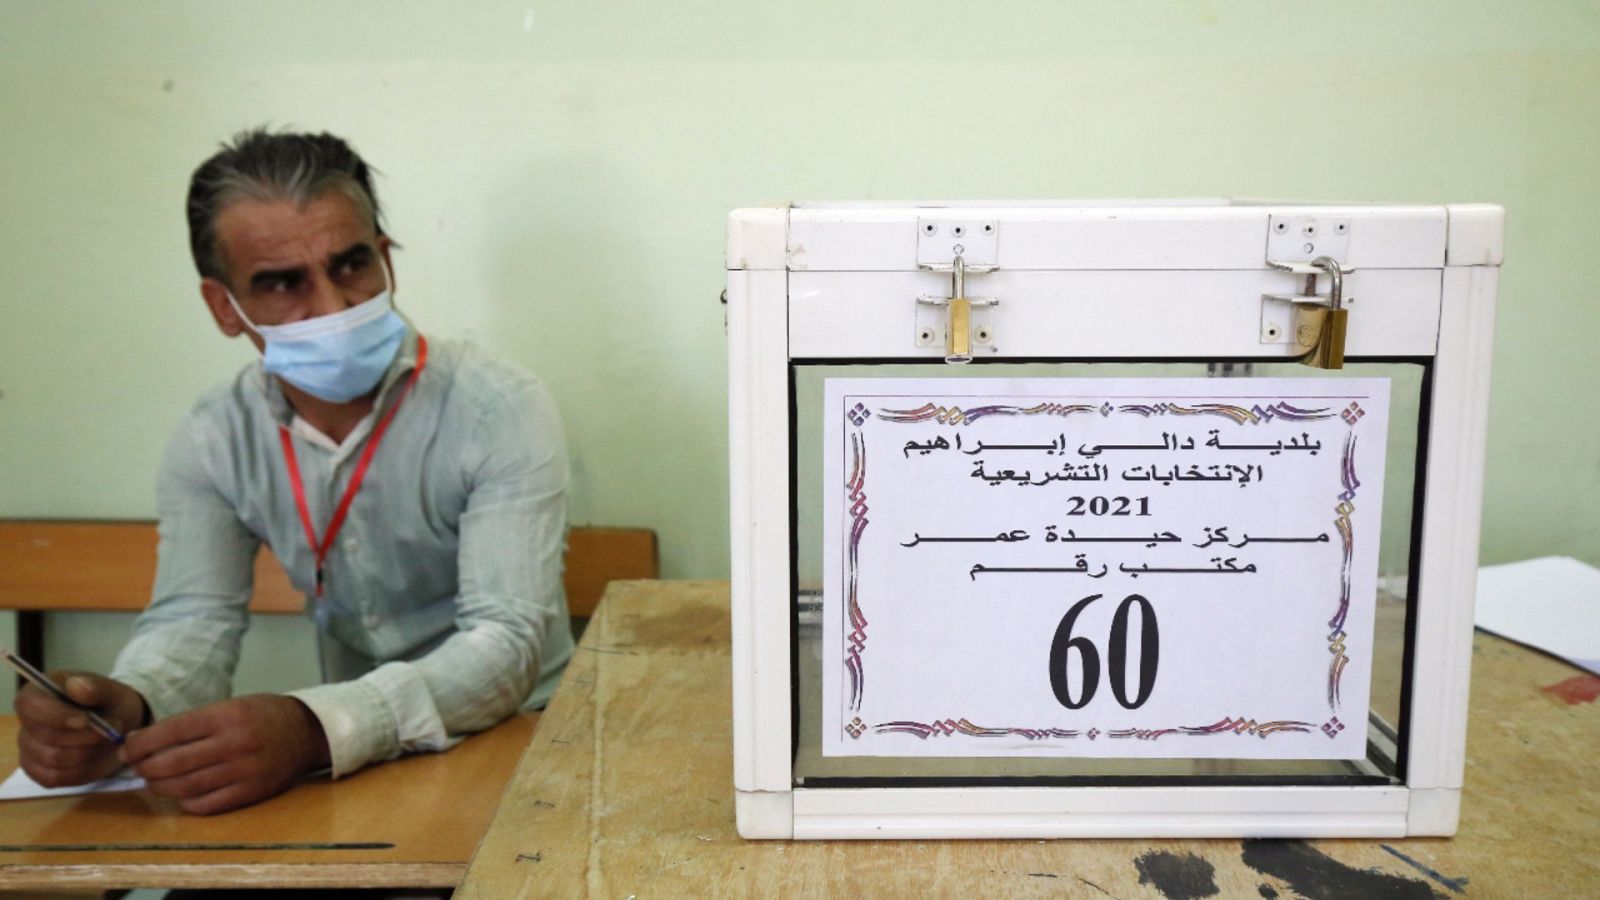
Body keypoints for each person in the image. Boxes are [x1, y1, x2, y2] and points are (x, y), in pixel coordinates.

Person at [14, 128, 575, 814]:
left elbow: (506, 642)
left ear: (387, 261)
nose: (333, 307)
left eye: (351, 265)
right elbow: (192, 621)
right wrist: (126, 706)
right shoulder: (215, 435)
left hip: (527, 747)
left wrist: (313, 727)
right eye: (283, 283)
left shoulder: (496, 408)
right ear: (225, 307)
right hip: (357, 769)